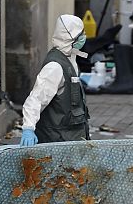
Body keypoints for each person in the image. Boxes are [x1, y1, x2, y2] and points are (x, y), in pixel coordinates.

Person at [20, 15, 90, 146]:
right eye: (82, 33)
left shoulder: (70, 57)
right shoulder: (55, 67)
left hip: (71, 140)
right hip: (57, 141)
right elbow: (36, 99)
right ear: (71, 38)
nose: (84, 36)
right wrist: (28, 128)